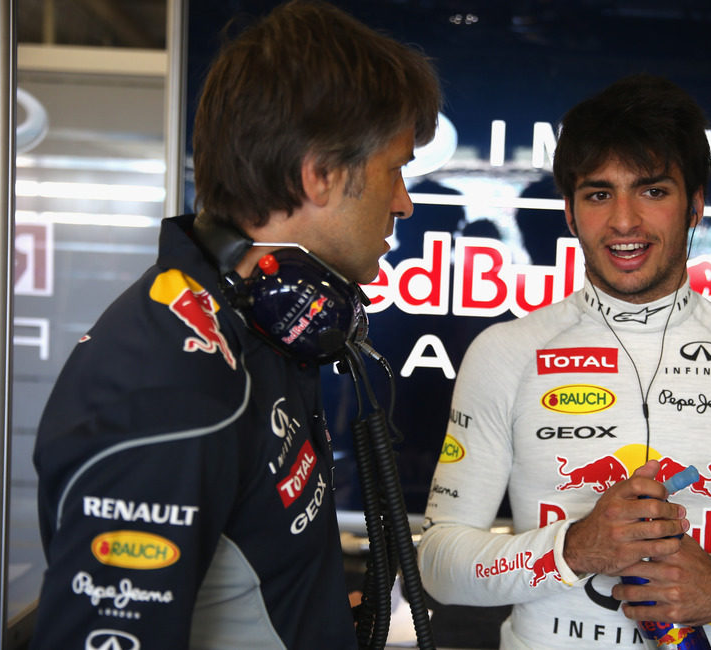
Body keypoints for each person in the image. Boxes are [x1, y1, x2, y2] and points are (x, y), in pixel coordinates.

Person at [30, 2, 440, 648]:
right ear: (321, 176)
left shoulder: (264, 325)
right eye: (395, 170)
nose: (404, 202)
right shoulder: (171, 391)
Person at [417, 73, 711, 650]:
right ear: (569, 212)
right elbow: (439, 565)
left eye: (651, 190)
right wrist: (576, 548)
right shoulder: (506, 353)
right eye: (598, 194)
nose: (623, 221)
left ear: (694, 206)